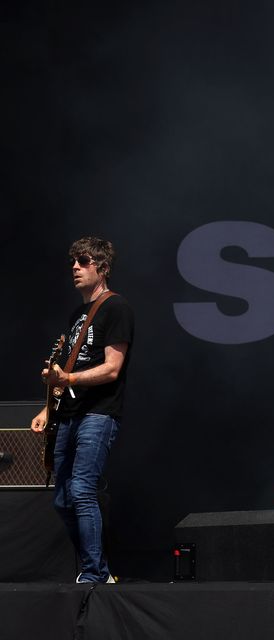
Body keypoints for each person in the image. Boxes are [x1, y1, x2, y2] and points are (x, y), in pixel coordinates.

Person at [31, 237, 134, 583]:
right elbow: (66, 375)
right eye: (73, 261)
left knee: (82, 490)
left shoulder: (116, 308)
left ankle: (92, 574)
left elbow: (111, 368)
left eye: (84, 261)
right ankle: (99, 570)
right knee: (61, 500)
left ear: (102, 267)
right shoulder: (78, 315)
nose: (75, 267)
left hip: (99, 413)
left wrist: (70, 375)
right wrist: (49, 405)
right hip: (69, 415)